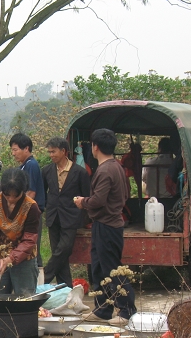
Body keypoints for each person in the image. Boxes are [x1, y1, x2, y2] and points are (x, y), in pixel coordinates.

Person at [74, 129, 136, 326]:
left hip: (108, 225)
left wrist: (82, 202)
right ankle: (103, 309)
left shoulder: (105, 170)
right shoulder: (116, 167)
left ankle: (127, 310)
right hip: (104, 224)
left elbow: (98, 200)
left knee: (112, 269)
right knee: (99, 269)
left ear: (95, 147)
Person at [41, 137, 91, 287]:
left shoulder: (80, 172)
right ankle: (66, 288)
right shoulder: (47, 171)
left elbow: (86, 196)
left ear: (63, 151)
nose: (51, 155)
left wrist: (84, 217)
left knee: (64, 249)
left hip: (71, 217)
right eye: (49, 152)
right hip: (53, 216)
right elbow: (43, 193)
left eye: (53, 152)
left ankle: (44, 277)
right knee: (58, 252)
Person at [0, 167, 41, 297]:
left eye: (16, 196)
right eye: (7, 195)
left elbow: (29, 240)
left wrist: (11, 258)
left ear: (23, 191)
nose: (11, 199)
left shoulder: (31, 207)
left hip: (24, 258)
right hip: (0, 255)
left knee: (24, 299)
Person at [10, 133, 45, 269]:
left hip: (30, 214)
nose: (13, 153)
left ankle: (37, 276)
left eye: (15, 149)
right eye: (12, 150)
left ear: (26, 149)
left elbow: (31, 193)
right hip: (24, 214)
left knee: (32, 247)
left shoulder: (31, 165)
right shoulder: (23, 167)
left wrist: (17, 212)